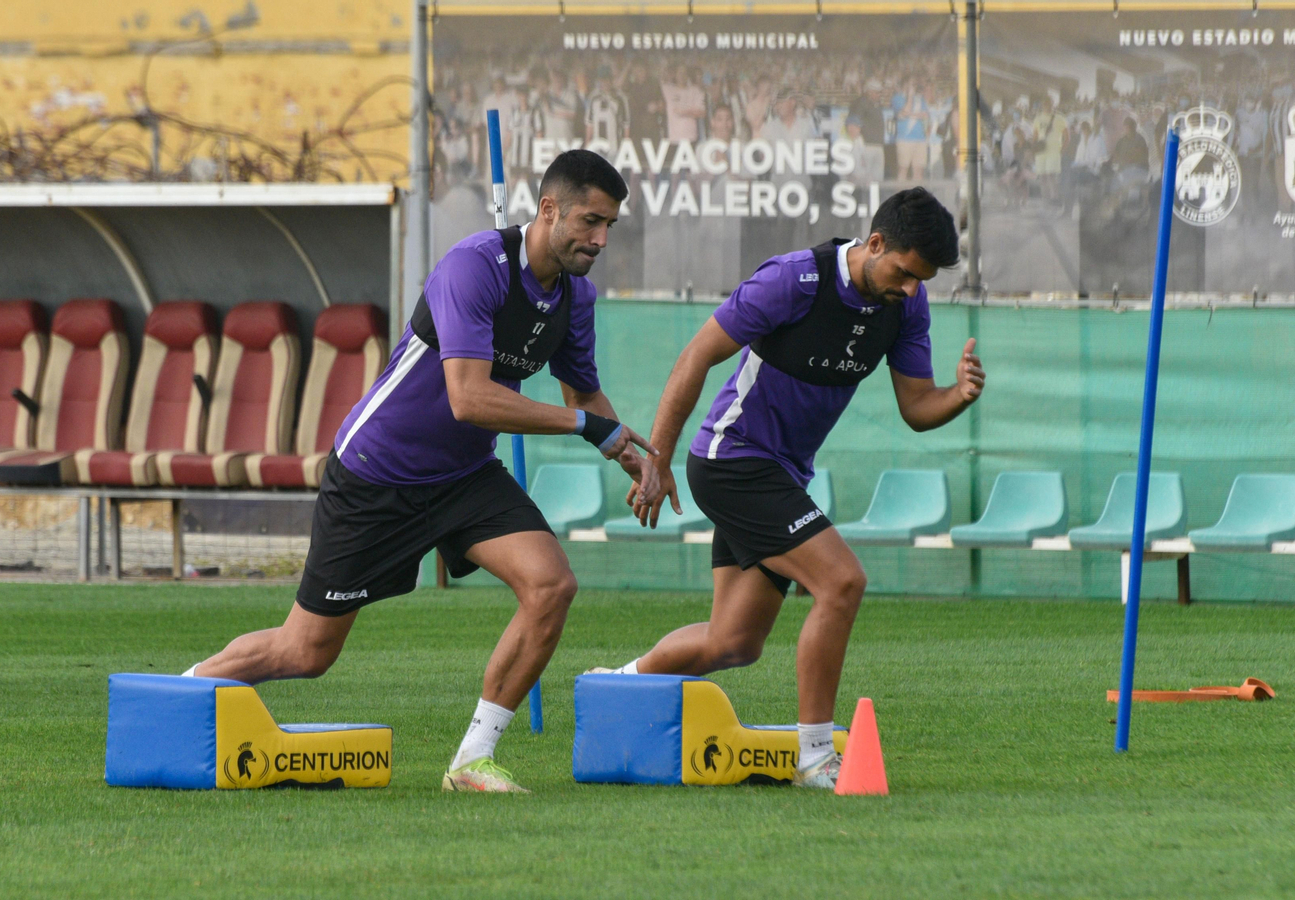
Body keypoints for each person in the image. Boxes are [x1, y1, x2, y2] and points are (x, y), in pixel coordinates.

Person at [182, 151, 656, 794]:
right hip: (379, 470)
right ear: (549, 210)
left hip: (464, 475)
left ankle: (471, 761)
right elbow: (470, 397)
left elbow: (583, 396)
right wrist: (586, 429)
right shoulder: (473, 267)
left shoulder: (577, 296)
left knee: (551, 586)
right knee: (306, 653)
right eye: (591, 222)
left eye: (609, 227)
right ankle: (178, 699)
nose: (600, 240)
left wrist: (633, 455)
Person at [595, 188, 985, 790]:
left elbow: (916, 405)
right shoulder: (793, 281)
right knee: (842, 581)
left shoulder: (906, 306)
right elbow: (696, 356)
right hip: (732, 460)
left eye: (922, 280)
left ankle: (613, 686)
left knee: (733, 643)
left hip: (778, 474)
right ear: (875, 244)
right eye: (905, 273)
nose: (911, 288)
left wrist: (957, 397)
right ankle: (815, 759)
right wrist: (658, 460)